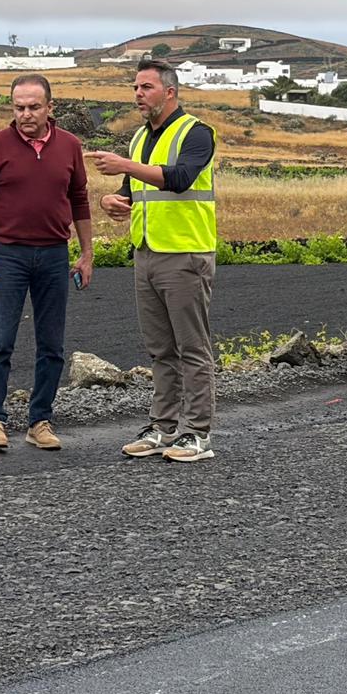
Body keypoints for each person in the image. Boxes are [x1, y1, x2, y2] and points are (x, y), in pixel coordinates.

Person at [92, 59, 218, 462]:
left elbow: (180, 179)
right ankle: (164, 428)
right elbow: (132, 191)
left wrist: (125, 166)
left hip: (185, 253)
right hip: (146, 252)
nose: (138, 95)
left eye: (145, 87)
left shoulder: (196, 133)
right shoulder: (139, 139)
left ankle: (196, 433)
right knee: (160, 349)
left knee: (192, 347)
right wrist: (111, 200)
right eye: (135, 88)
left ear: (170, 92)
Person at [0, 73, 94, 452]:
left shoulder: (69, 145)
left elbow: (80, 200)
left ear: (50, 107)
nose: (26, 114)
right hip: (8, 255)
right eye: (19, 107)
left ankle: (40, 420)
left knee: (52, 344)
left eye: (34, 107)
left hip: (55, 254)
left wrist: (87, 254)